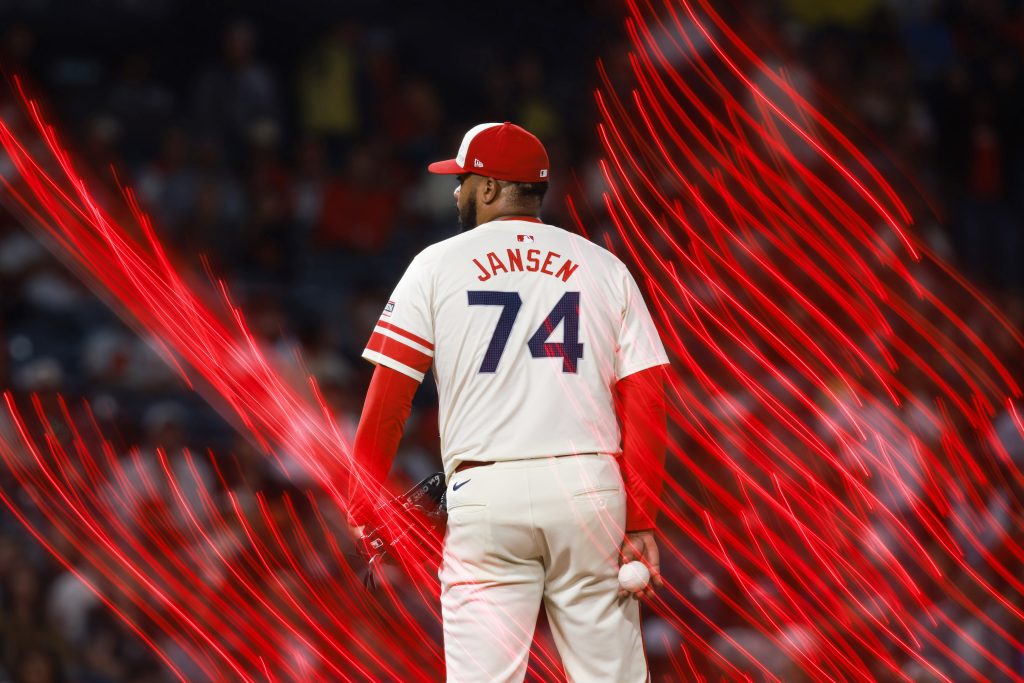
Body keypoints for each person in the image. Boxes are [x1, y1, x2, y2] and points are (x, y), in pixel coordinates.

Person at [347, 122, 669, 682]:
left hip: (486, 493)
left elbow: (389, 399)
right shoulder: (602, 265)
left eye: (464, 179)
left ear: (491, 188)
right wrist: (641, 518)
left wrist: (361, 500)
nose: (456, 191)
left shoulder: (436, 264)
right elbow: (647, 398)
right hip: (589, 490)